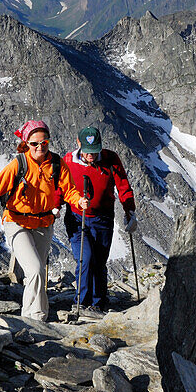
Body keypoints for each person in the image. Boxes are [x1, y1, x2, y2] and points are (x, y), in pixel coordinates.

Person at [0, 120, 87, 321]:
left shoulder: (57, 164)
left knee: (35, 275)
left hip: (44, 225)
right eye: (34, 144)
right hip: (16, 223)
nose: (40, 147)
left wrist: (79, 201)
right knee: (36, 270)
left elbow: (69, 190)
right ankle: (37, 319)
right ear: (26, 144)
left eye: (44, 142)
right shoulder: (18, 164)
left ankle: (27, 319)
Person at [63, 126, 136, 317]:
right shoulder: (68, 161)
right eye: (88, 151)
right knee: (85, 258)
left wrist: (130, 211)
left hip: (103, 217)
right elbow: (60, 187)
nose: (91, 155)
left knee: (99, 261)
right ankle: (81, 302)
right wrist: (53, 209)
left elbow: (123, 186)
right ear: (79, 144)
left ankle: (99, 303)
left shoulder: (111, 158)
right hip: (77, 218)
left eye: (95, 151)